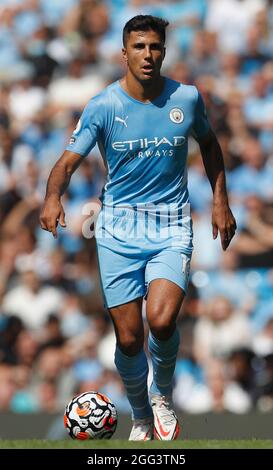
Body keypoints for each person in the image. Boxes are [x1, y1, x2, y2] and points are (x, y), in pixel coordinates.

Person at [40, 15, 237, 441]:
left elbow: (210, 145)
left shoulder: (186, 97)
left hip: (171, 224)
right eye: (140, 47)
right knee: (129, 339)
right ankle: (141, 415)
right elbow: (67, 161)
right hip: (117, 230)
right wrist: (53, 197)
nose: (148, 55)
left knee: (162, 321)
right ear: (124, 53)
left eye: (155, 47)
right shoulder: (104, 106)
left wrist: (221, 201)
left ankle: (162, 395)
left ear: (164, 51)